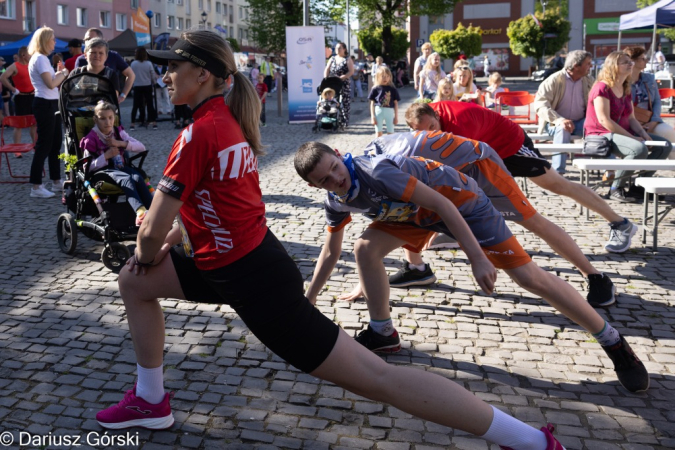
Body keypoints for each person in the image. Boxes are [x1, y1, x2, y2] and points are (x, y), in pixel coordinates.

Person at [93, 30, 570, 450]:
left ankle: (531, 441)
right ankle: (151, 399)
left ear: (201, 74)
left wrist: (146, 251)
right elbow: (211, 206)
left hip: (252, 279)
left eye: (173, 67)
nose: (166, 76)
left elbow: (153, 229)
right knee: (136, 285)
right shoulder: (223, 121)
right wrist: (159, 250)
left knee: (378, 378)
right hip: (233, 262)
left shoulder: (200, 133)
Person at [295, 139, 649, 396]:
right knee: (364, 249)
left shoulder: (378, 172)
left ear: (341, 156)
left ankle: (613, 341)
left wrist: (477, 256)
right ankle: (383, 333)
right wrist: (307, 301)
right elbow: (330, 251)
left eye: (335, 169)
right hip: (415, 216)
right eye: (324, 180)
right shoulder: (336, 200)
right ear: (314, 187)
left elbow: (444, 206)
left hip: (461, 204)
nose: (335, 180)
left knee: (528, 277)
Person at [403, 102, 641, 261]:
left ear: (435, 115)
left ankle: (621, 223)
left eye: (433, 128)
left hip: (510, 145)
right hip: (485, 150)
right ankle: (457, 234)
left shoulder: (459, 123)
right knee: (463, 189)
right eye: (424, 132)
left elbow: (453, 169)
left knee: (557, 185)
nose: (431, 134)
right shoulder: (426, 121)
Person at [584, 51, 672, 203]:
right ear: (613, 66)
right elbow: (604, 120)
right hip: (600, 134)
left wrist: (643, 134)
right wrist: (632, 138)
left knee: (664, 146)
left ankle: (639, 188)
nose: (630, 64)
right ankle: (615, 189)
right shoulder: (601, 88)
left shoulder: (626, 88)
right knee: (638, 149)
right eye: (625, 62)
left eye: (630, 61)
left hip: (620, 132)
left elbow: (631, 118)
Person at [80, 101, 152, 225]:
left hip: (120, 167)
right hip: (101, 172)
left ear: (115, 118)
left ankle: (154, 211)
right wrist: (106, 156)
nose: (107, 122)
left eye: (110, 118)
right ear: (95, 119)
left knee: (137, 177)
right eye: (102, 119)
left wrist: (120, 143)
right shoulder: (90, 139)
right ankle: (140, 213)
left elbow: (142, 147)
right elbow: (87, 168)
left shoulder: (118, 132)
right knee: (126, 178)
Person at [533, 50, 594, 174]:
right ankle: (558, 172)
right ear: (576, 66)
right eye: (588, 63)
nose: (591, 66)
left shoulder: (589, 81)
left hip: (580, 122)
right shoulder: (553, 80)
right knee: (563, 128)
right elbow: (540, 105)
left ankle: (607, 169)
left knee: (598, 127)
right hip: (553, 124)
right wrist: (559, 120)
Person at [27, 27, 67, 199]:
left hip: (50, 103)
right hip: (45, 104)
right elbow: (51, 84)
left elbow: (50, 82)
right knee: (44, 145)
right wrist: (64, 73)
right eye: (52, 38)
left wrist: (58, 73)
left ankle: (56, 181)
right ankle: (36, 186)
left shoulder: (41, 58)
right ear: (44, 40)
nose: (55, 42)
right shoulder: (40, 58)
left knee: (55, 144)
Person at [625, 46, 675, 146]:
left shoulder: (649, 78)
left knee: (669, 132)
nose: (646, 61)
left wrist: (654, 121)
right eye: (643, 59)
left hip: (650, 120)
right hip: (629, 122)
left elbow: (657, 101)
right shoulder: (622, 81)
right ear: (632, 61)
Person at [76, 28, 135, 104]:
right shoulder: (80, 60)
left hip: (106, 107)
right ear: (86, 55)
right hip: (84, 106)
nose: (88, 41)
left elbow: (131, 75)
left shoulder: (113, 57)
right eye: (86, 39)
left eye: (91, 39)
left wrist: (123, 95)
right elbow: (75, 84)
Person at [0, 46, 37, 149]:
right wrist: (13, 89)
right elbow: (2, 77)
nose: (31, 56)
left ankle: (35, 146)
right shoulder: (14, 66)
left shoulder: (31, 65)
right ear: (24, 55)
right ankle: (17, 149)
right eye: (29, 54)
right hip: (21, 97)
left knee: (34, 123)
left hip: (33, 96)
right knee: (18, 124)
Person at [324, 42, 354, 128]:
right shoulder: (332, 58)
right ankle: (333, 120)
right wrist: (326, 77)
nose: (337, 49)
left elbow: (351, 71)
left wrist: (345, 76)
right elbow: (327, 69)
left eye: (339, 48)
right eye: (336, 48)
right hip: (333, 83)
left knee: (345, 103)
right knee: (333, 101)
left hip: (343, 83)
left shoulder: (347, 59)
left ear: (344, 49)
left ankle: (344, 122)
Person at [129, 47, 157, 131]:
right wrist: (154, 82)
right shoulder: (148, 63)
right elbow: (152, 74)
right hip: (147, 85)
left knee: (136, 105)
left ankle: (132, 124)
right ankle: (154, 122)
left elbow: (131, 75)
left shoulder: (133, 64)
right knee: (150, 104)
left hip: (137, 85)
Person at [368, 66, 400, 137]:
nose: (385, 78)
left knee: (390, 132)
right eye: (382, 76)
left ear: (390, 77)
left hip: (389, 111)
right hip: (378, 111)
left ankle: (390, 147)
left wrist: (396, 117)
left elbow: (396, 103)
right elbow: (372, 103)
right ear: (378, 77)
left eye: (387, 76)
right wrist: (372, 116)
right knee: (378, 132)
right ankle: (378, 146)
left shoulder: (393, 89)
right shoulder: (375, 89)